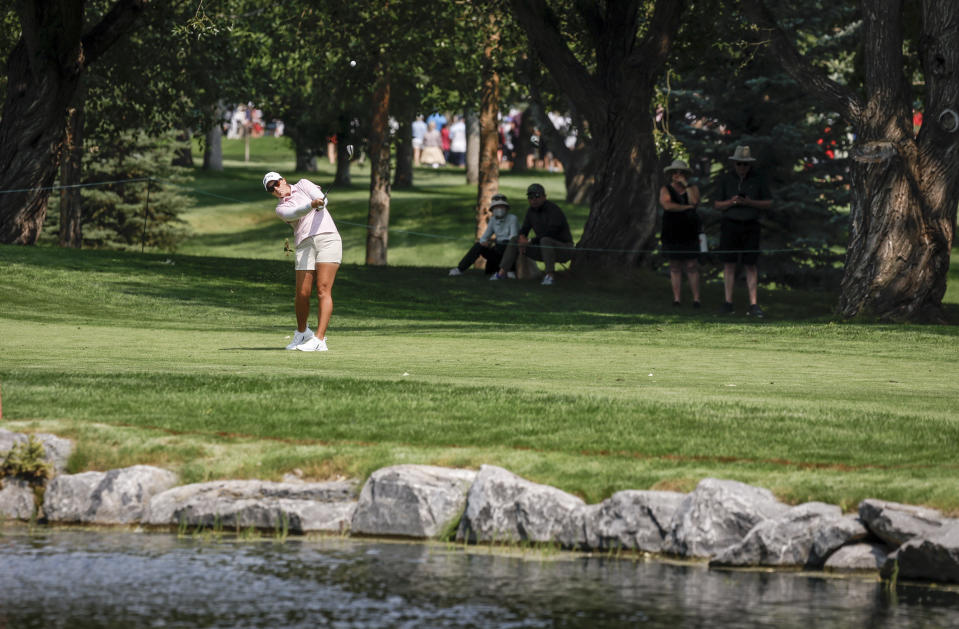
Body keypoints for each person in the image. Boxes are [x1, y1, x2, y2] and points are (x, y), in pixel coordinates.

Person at [264, 171, 342, 351]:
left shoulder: (303, 184)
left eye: (276, 183)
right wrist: (312, 205)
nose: (276, 189)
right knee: (302, 293)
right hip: (304, 244)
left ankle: (319, 340)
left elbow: (322, 199)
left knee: (323, 289)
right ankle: (302, 332)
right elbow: (295, 213)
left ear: (283, 180)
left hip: (328, 238)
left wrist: (321, 203)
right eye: (271, 189)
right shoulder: (280, 209)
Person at [713, 145, 772, 317]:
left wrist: (750, 202)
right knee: (729, 263)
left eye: (745, 164)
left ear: (749, 165)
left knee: (750, 264)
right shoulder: (726, 179)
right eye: (739, 164)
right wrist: (732, 202)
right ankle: (728, 302)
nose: (742, 167)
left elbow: (768, 202)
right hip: (730, 224)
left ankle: (753, 304)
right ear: (734, 164)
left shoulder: (758, 179)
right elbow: (717, 204)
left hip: (751, 224)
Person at [492, 183, 573, 286]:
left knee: (545, 240)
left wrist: (530, 241)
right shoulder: (530, 211)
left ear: (544, 197)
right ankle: (501, 273)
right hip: (544, 248)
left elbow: (552, 232)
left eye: (537, 196)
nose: (534, 199)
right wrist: (521, 238)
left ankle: (550, 276)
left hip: (564, 248)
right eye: (530, 197)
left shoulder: (553, 209)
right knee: (515, 239)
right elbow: (524, 229)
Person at [659, 159, 702, 308]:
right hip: (672, 231)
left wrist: (686, 186)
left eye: (681, 172)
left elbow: (694, 202)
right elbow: (667, 206)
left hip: (690, 231)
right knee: (675, 265)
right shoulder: (665, 189)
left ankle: (696, 299)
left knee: (691, 265)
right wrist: (685, 207)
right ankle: (677, 298)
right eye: (675, 172)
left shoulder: (693, 188)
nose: (678, 175)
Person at [449, 193, 519, 277]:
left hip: (510, 253)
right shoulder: (492, 220)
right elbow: (484, 237)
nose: (499, 209)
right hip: (498, 251)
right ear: (492, 209)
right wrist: (484, 242)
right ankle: (460, 269)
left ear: (506, 208)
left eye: (502, 206)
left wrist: (494, 241)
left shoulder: (513, 218)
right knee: (479, 245)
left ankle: (509, 270)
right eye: (497, 207)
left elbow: (513, 238)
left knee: (504, 244)